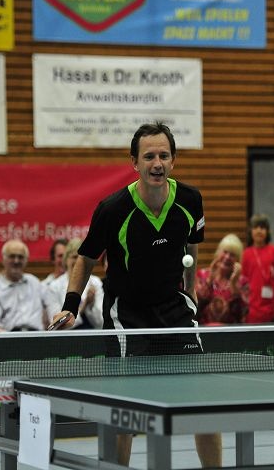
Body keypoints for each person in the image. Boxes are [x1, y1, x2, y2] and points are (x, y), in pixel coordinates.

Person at [49, 122, 221, 467]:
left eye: (164, 156)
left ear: (173, 160)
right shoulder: (113, 209)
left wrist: (189, 290)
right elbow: (86, 259)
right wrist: (70, 305)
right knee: (124, 410)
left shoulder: (190, 200)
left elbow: (192, 247)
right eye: (149, 157)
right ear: (134, 162)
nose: (157, 163)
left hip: (174, 309)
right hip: (126, 314)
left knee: (202, 404)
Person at [0, 239, 47, 331]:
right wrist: (10, 338)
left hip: (37, 335)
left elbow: (49, 307)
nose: (16, 261)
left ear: (26, 260)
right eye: (12, 256)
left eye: (20, 257)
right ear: (3, 259)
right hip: (8, 337)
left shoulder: (34, 282)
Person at [44, 238, 104, 329]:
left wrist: (91, 306)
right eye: (74, 257)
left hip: (93, 334)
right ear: (66, 260)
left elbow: (101, 322)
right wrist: (84, 306)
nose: (78, 262)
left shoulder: (96, 283)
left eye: (81, 258)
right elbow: (56, 325)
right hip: (67, 336)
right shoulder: (54, 287)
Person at [195, 233, 249, 325]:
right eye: (225, 252)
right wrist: (209, 280)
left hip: (229, 332)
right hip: (203, 330)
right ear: (218, 253)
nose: (227, 257)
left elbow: (242, 314)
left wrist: (233, 285)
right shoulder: (202, 275)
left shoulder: (242, 282)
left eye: (232, 255)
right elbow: (195, 306)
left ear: (237, 260)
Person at [241, 215, 274, 323]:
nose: (259, 231)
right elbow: (243, 283)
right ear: (250, 231)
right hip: (251, 309)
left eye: (262, 228)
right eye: (256, 227)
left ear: (268, 231)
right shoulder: (246, 254)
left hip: (270, 308)